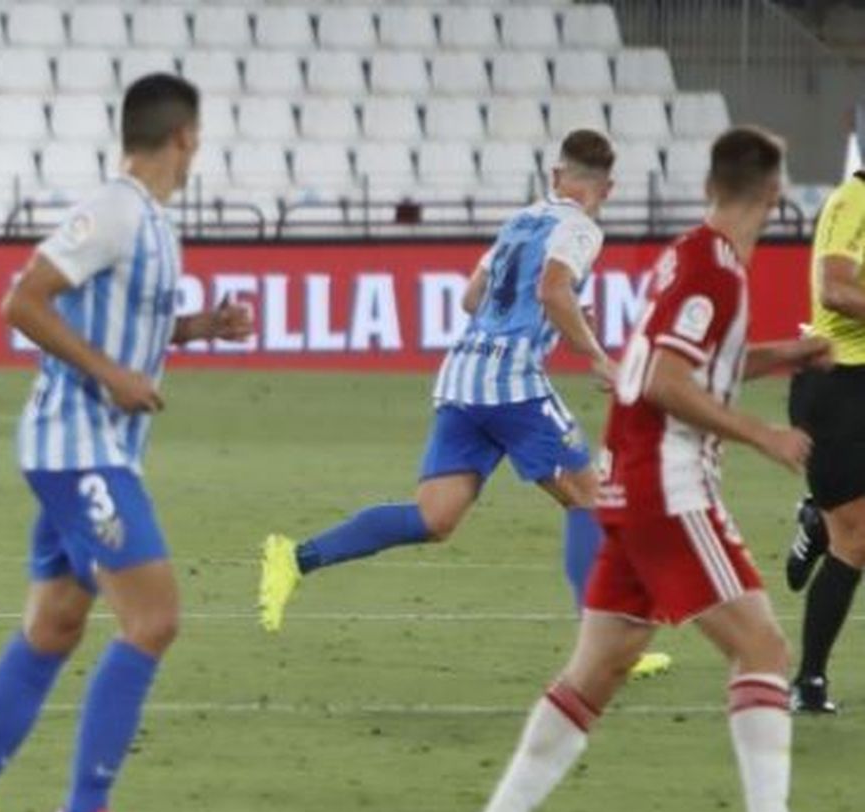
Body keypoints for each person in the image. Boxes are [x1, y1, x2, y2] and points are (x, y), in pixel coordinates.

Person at [456, 127, 862, 812]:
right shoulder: (716, 272)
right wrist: (760, 434)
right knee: (763, 648)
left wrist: (784, 353)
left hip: (630, 481)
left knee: (601, 666)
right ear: (774, 195)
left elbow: (678, 360)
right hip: (669, 487)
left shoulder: (689, 256)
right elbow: (668, 381)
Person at [0, 73, 253, 812]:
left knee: (57, 625)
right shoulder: (113, 210)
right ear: (184, 138)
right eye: (198, 135)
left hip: (101, 448)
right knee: (154, 616)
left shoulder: (154, 224)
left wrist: (200, 328)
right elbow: (22, 302)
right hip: (76, 448)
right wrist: (107, 374)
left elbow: (127, 324)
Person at [257, 130, 669, 678]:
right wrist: (594, 354)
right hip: (513, 384)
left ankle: (293, 558)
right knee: (589, 499)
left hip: (462, 377)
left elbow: (473, 297)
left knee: (435, 517)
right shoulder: (581, 229)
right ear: (607, 189)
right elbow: (551, 290)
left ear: (554, 176)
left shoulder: (520, 220)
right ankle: (607, 654)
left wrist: (553, 311)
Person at [779, 160, 865, 712]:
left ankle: (817, 514)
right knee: (855, 542)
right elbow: (835, 290)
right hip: (841, 388)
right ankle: (808, 682)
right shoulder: (852, 201)